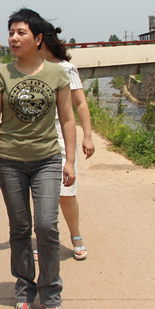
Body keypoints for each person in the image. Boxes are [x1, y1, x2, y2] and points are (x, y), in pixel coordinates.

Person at [0, 7, 76, 309]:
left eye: (21, 33)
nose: (14, 38)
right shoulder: (0, 75)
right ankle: (24, 290)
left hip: (47, 159)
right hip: (9, 161)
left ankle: (51, 294)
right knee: (20, 229)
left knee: (47, 226)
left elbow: (67, 118)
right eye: (11, 33)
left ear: (37, 39)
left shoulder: (57, 74)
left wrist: (71, 160)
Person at [40, 23, 94, 261]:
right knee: (41, 195)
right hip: (35, 141)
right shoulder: (29, 68)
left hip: (61, 139)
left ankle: (76, 236)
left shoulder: (66, 68)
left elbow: (80, 104)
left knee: (66, 193)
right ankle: (45, 240)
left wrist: (88, 136)